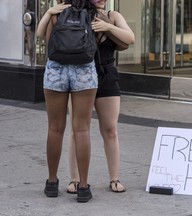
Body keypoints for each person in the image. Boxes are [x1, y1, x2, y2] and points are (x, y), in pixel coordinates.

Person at [66, 0, 135, 194]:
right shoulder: (74, 13)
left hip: (106, 76)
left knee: (110, 129)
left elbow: (130, 38)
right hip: (80, 75)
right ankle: (74, 179)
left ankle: (114, 178)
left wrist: (107, 26)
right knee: (76, 129)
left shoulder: (113, 16)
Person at [36, 0, 98, 203]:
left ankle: (52, 183)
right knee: (82, 129)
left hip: (56, 69)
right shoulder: (93, 13)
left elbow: (41, 36)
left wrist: (49, 13)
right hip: (84, 70)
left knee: (55, 128)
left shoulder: (56, 12)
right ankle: (83, 187)